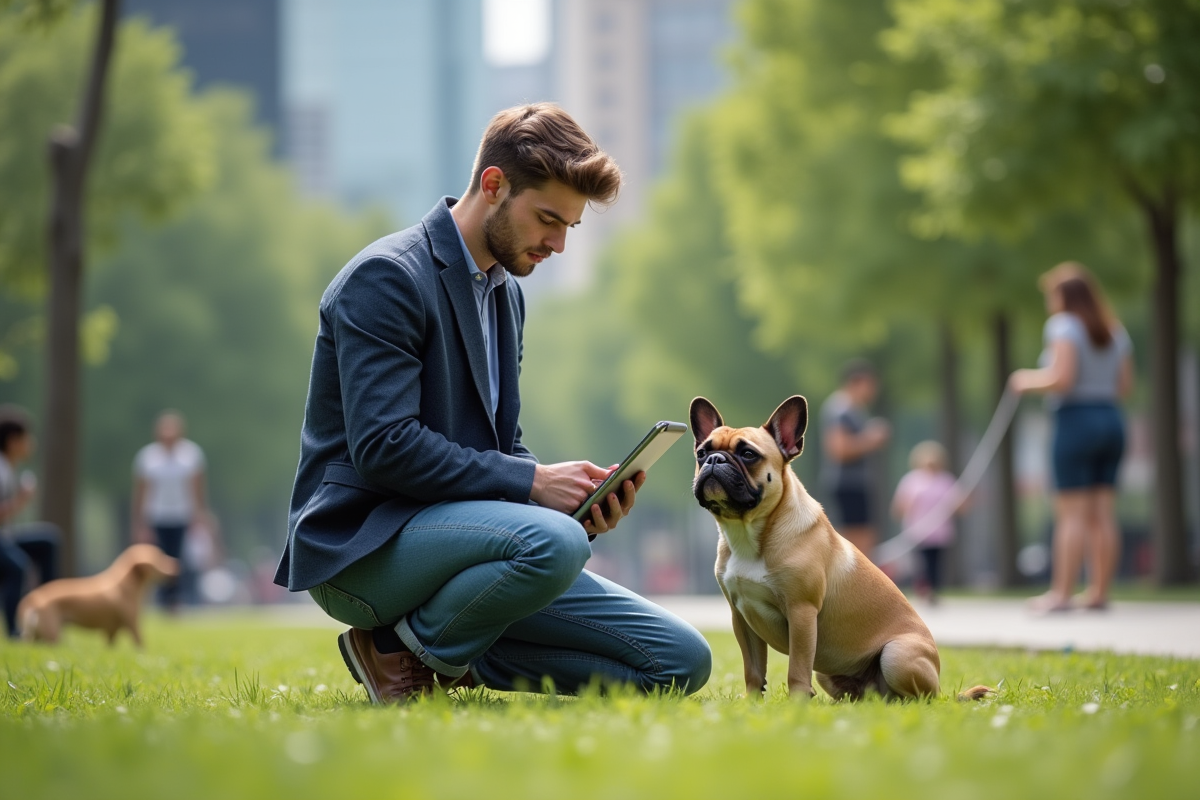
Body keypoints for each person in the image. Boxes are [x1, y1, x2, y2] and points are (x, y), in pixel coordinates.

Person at [273, 103, 711, 704]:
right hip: (363, 549)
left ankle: (456, 652)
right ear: (494, 184)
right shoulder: (387, 278)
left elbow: (499, 450)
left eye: (570, 228)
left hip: (461, 549)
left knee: (681, 662)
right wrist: (533, 486)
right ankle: (392, 650)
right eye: (547, 219)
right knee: (552, 544)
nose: (556, 243)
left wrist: (576, 502)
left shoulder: (506, 296)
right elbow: (383, 448)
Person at [1010, 263, 1133, 613]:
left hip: (1076, 420)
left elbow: (1062, 377)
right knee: (1103, 513)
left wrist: (1024, 380)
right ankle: (1099, 592)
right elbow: (1124, 386)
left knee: (1071, 514)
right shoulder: (1115, 330)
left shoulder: (1063, 325)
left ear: (1065, 295)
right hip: (1111, 419)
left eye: (1052, 293)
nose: (1050, 301)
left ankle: (1061, 594)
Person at [132, 411, 210, 611]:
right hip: (157, 515)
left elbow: (197, 489)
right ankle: (162, 596)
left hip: (182, 514)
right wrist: (140, 521)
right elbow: (141, 492)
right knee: (158, 558)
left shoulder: (191, 455)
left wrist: (199, 514)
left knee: (178, 557)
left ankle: (176, 597)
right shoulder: (148, 457)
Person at [820, 359, 890, 558]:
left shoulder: (854, 409)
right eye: (870, 385)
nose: (873, 391)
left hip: (856, 483)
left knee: (865, 538)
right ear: (856, 382)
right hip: (847, 484)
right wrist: (871, 439)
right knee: (857, 541)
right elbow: (838, 449)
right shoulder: (840, 409)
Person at [0, 405, 60, 638]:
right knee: (18, 566)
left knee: (48, 540)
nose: (31, 443)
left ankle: (51, 611)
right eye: (27, 438)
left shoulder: (10, 468)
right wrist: (21, 501)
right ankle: (15, 631)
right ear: (14, 441)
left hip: (5, 538)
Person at [891, 441, 965, 605]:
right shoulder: (911, 480)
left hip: (940, 532)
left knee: (936, 563)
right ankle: (923, 590)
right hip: (918, 531)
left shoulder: (946, 480)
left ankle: (934, 591)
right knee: (920, 563)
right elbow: (899, 507)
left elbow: (960, 505)